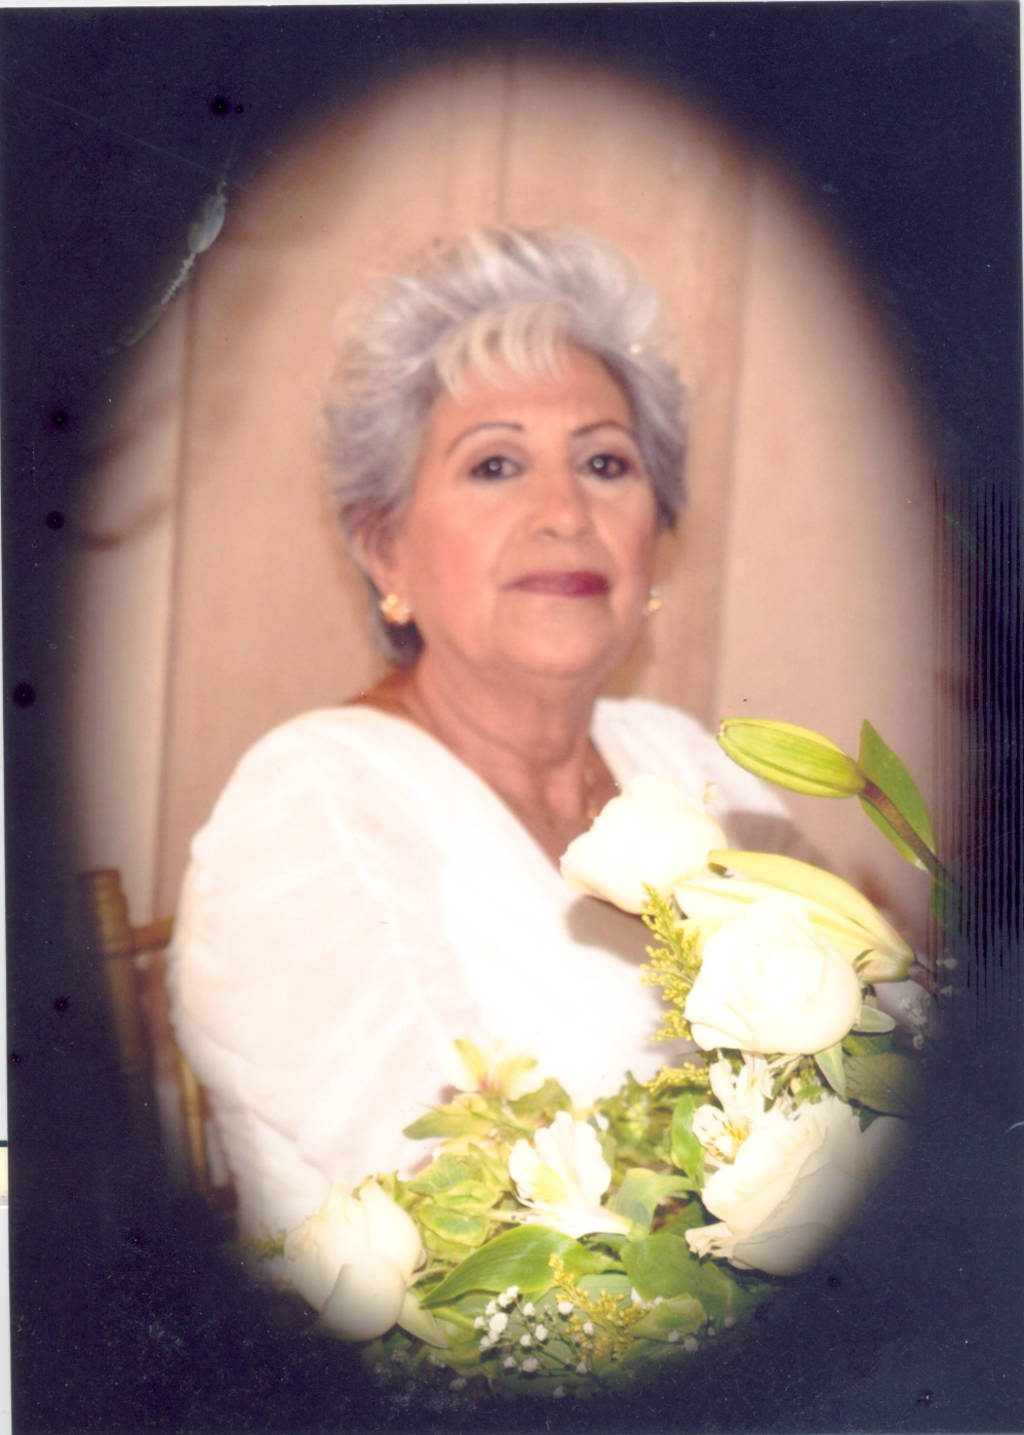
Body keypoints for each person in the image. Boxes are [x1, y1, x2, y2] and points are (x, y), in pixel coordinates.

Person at [169, 227, 797, 1238]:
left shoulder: (682, 759)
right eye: (496, 464)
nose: (564, 512)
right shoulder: (307, 807)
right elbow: (475, 1234)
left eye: (605, 462)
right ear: (385, 548)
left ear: (655, 536)